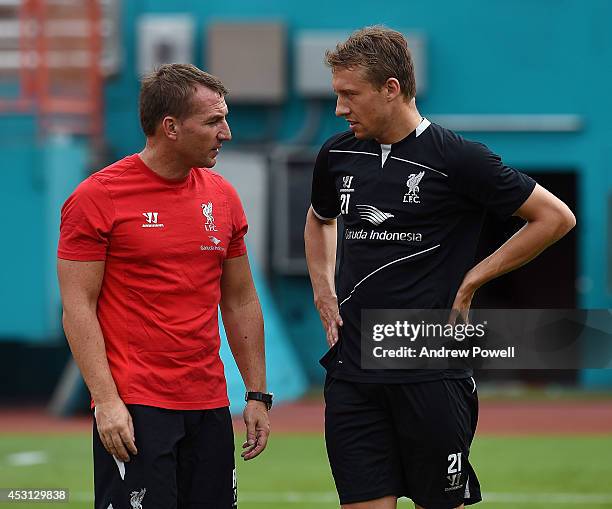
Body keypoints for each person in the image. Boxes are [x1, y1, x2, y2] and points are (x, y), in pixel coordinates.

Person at [304, 26, 575, 509]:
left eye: (350, 95)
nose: (340, 108)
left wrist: (473, 280)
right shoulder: (337, 154)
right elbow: (319, 218)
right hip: (352, 371)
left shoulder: (458, 158)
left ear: (391, 88)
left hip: (429, 369)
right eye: (337, 95)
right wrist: (323, 289)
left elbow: (554, 218)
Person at [57, 63, 272, 509]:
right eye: (213, 121)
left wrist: (255, 393)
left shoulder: (222, 196)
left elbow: (239, 299)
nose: (226, 132)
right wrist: (106, 401)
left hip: (209, 404)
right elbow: (78, 307)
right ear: (170, 127)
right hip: (137, 407)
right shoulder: (96, 198)